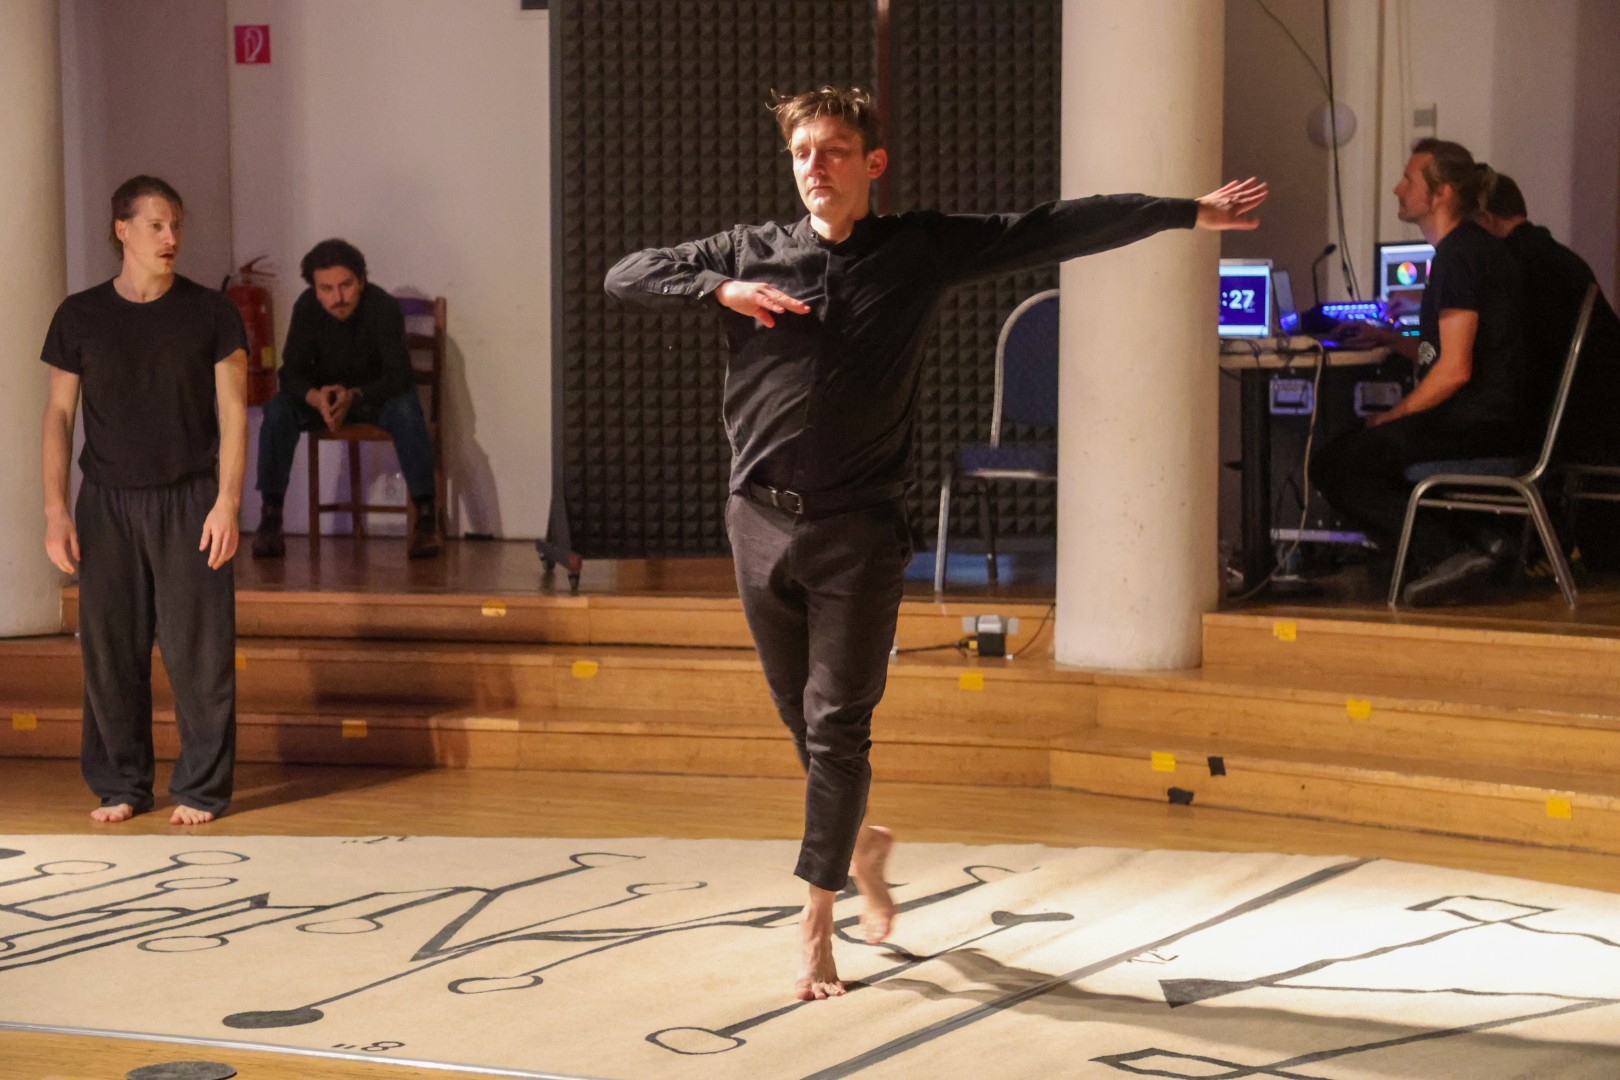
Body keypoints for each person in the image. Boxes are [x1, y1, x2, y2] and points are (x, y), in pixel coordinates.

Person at [605, 86, 1267, 1000]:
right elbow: (626, 273)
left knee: (838, 727)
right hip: (756, 520)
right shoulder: (748, 251)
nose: (815, 167)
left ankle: (816, 924)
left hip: (859, 531)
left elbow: (1053, 227)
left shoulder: (916, 250)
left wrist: (1185, 212)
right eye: (802, 152)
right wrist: (719, 287)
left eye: (835, 150)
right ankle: (861, 848)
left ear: (872, 163)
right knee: (801, 719)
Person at [41, 175, 248, 826]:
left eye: (177, 224)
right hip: (106, 502)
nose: (170, 236)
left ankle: (202, 787)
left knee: (200, 652)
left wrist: (228, 502)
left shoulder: (211, 312)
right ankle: (121, 782)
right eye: (156, 225)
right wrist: (54, 509)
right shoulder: (80, 315)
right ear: (121, 230)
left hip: (190, 498)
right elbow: (58, 415)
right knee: (109, 650)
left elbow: (234, 414)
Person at [1313, 139, 1530, 606]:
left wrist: (1394, 416)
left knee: (1335, 463)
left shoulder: (1459, 256)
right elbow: (1451, 354)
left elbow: (1454, 371)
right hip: (1490, 420)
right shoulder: (1468, 249)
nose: (1398, 188)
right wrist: (1391, 340)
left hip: (1479, 426)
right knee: (1353, 451)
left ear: (1441, 194)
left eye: (1409, 180)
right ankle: (1474, 541)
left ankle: (1449, 553)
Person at [251, 239, 440, 559]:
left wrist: (354, 395)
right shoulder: (307, 307)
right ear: (314, 288)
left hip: (373, 399)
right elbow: (290, 373)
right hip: (324, 403)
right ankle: (270, 517)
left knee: (407, 408)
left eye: (346, 285)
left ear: (361, 280)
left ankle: (425, 517)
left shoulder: (382, 306)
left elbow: (399, 375)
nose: (337, 298)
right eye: (326, 289)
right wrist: (316, 398)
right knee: (278, 409)